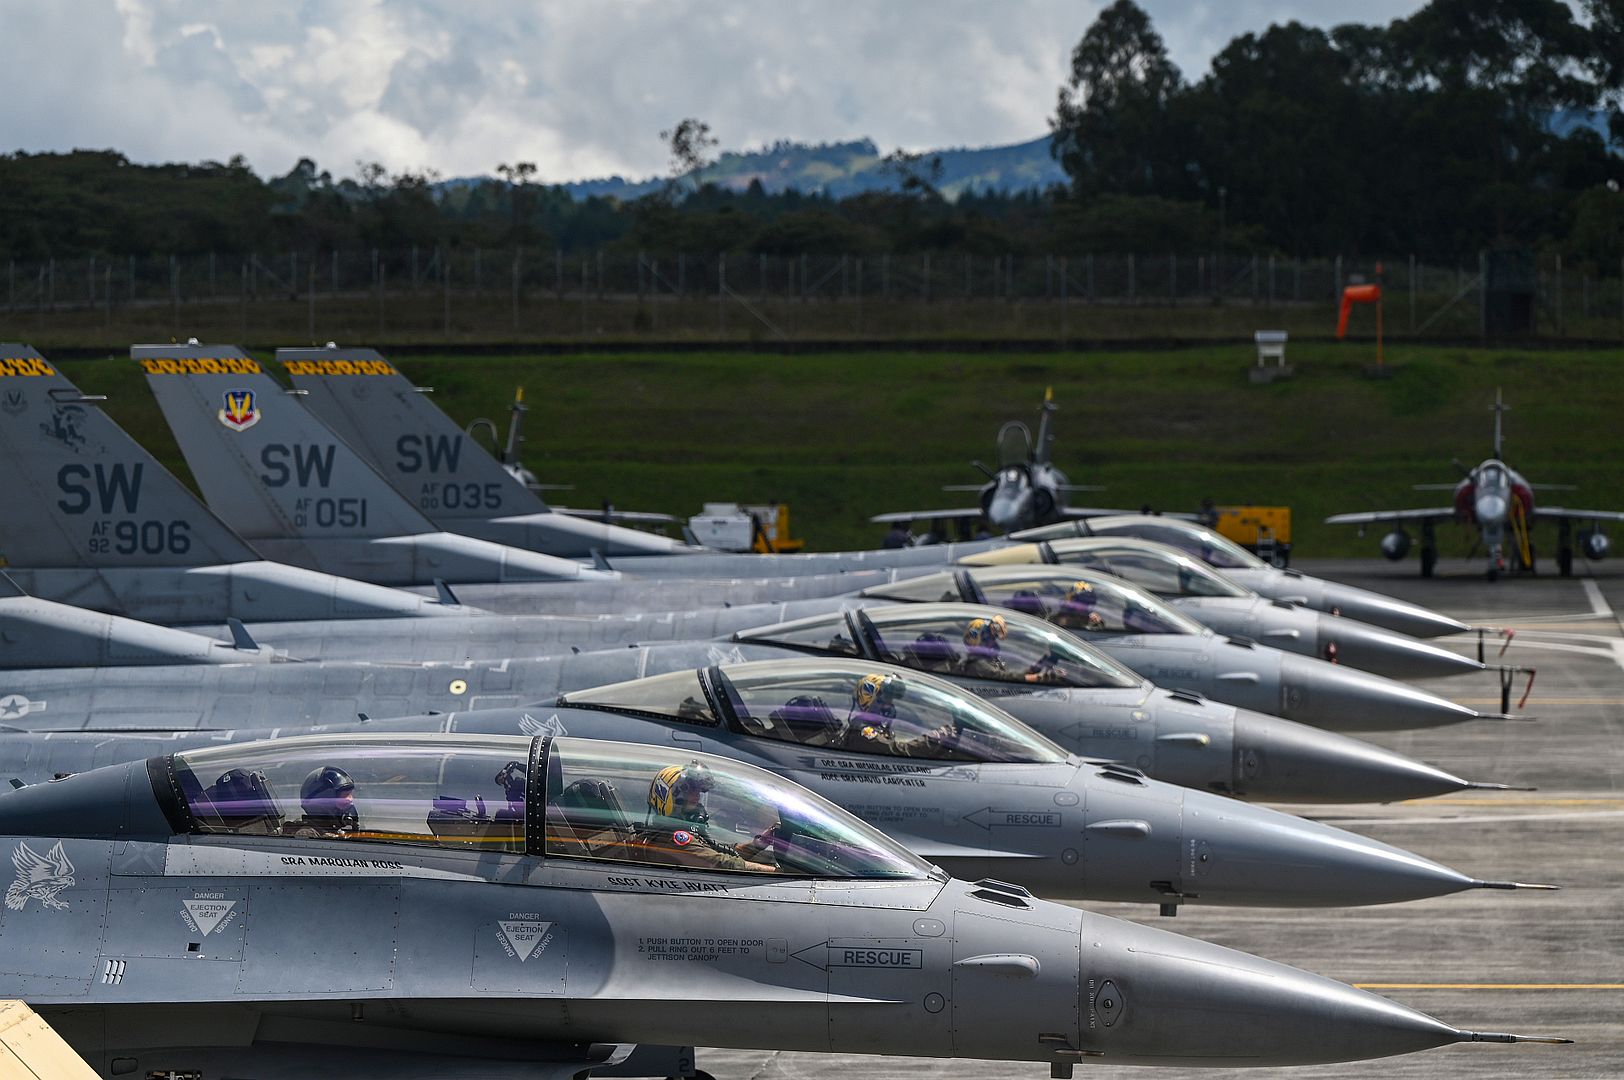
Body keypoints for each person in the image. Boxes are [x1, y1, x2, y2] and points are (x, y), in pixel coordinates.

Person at [629, 763, 777, 872]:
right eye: (691, 790)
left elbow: (715, 851)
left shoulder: (678, 832)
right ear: (671, 796)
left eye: (699, 791)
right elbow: (720, 863)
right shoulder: (674, 839)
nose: (697, 796)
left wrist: (757, 844)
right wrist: (776, 872)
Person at [292, 765, 359, 838]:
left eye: (350, 795)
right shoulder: (308, 835)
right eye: (344, 799)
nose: (350, 801)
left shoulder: (331, 830)